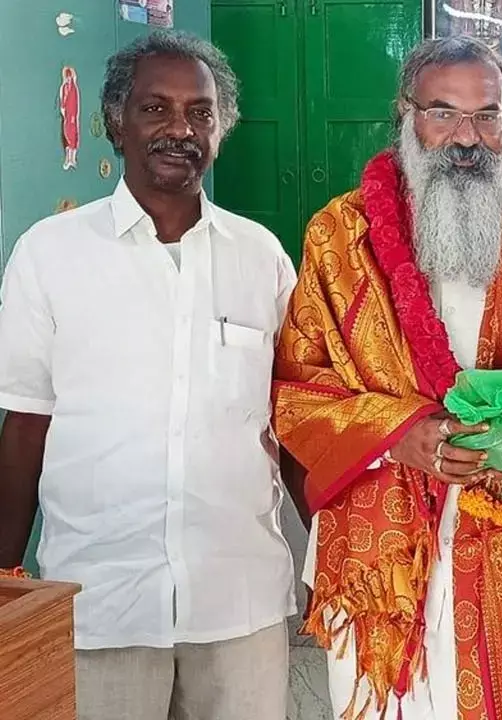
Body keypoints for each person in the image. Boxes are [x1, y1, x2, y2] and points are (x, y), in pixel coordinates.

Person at [271, 36, 502, 720]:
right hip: (380, 545)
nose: (466, 138)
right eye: (443, 113)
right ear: (407, 115)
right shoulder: (341, 236)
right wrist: (398, 436)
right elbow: (298, 388)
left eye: (487, 115)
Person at [0, 31, 296, 720]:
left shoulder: (261, 257)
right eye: (155, 108)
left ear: (221, 129)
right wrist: (4, 577)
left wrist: (332, 559)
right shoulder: (50, 254)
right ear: (116, 122)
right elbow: (26, 424)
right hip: (99, 602)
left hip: (240, 601)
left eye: (200, 112)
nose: (180, 129)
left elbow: (297, 419)